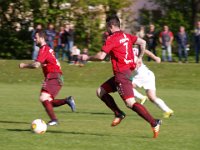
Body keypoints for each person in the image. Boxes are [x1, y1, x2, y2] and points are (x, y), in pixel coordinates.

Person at [90, 15, 161, 138]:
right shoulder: (126, 36)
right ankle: (118, 114)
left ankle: (154, 122)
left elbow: (101, 56)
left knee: (130, 103)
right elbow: (143, 42)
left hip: (121, 75)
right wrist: (139, 58)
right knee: (100, 91)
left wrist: (87, 57)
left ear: (111, 26)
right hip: (125, 73)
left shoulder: (112, 38)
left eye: (107, 27)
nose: (106, 30)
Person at [19, 30, 76, 126]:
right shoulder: (47, 49)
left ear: (41, 38)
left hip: (54, 76)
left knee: (43, 98)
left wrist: (24, 65)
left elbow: (36, 65)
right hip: (55, 76)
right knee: (48, 101)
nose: (34, 39)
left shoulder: (44, 49)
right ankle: (67, 100)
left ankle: (54, 120)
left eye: (35, 37)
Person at [131, 47, 174, 118]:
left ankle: (141, 97)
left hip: (141, 75)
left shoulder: (128, 51)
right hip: (148, 74)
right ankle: (168, 111)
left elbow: (144, 50)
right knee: (152, 97)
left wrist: (155, 57)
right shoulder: (131, 49)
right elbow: (144, 50)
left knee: (124, 86)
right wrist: (155, 57)